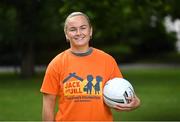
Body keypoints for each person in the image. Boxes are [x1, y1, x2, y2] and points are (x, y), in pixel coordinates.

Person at [40, 11, 141, 121]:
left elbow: (120, 93)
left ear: (90, 31)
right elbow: (48, 105)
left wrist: (135, 103)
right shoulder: (56, 64)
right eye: (73, 29)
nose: (78, 33)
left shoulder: (107, 60)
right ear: (66, 34)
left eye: (83, 28)